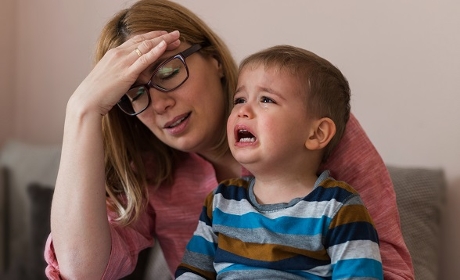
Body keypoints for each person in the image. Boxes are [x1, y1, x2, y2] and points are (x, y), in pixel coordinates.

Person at [44, 0, 413, 279]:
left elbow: (390, 270)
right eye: (135, 94)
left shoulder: (310, 127)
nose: (158, 103)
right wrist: (81, 111)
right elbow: (82, 272)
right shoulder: (152, 171)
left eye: (170, 72)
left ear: (215, 61)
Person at [175, 45, 383, 279]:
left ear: (316, 134)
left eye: (266, 99)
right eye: (239, 99)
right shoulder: (221, 201)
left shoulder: (339, 208)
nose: (243, 110)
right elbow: (193, 272)